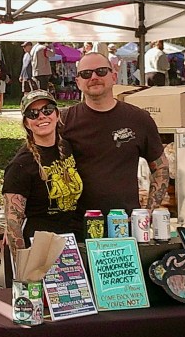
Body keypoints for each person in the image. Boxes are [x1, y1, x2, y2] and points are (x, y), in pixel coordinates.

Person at [61, 52, 169, 220]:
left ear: (114, 76)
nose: (94, 77)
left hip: (124, 224)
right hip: (75, 225)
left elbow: (160, 167)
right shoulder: (63, 121)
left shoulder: (139, 119)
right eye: (86, 74)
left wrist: (147, 212)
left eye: (101, 71)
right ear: (78, 82)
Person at [2, 90, 83, 260]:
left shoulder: (67, 148)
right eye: (33, 113)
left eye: (47, 110)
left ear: (57, 114)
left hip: (73, 244)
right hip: (40, 250)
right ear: (26, 123)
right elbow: (12, 223)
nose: (41, 116)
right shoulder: (20, 165)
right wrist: (23, 268)